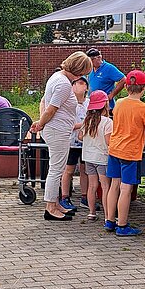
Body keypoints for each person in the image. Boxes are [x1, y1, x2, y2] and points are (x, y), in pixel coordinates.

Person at [104, 70, 145, 236]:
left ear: (126, 87)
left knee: (114, 185)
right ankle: (123, 225)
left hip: (115, 148)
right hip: (129, 152)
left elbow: (126, 122)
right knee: (126, 189)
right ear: (143, 88)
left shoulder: (118, 103)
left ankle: (110, 221)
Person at [30, 51, 94, 221]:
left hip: (58, 130)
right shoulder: (64, 84)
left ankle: (55, 203)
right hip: (58, 131)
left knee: (56, 168)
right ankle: (50, 207)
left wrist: (41, 122)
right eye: (83, 72)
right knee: (56, 169)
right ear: (78, 69)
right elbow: (52, 109)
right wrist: (41, 123)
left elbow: (45, 102)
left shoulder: (57, 76)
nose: (83, 76)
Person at [80, 90, 112, 221]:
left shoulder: (87, 120)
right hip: (102, 158)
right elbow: (109, 141)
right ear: (105, 104)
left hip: (88, 157)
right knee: (105, 186)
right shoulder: (107, 122)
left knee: (92, 186)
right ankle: (107, 216)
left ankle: (92, 213)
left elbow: (80, 136)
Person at [63, 77, 89, 213]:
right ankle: (65, 197)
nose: (78, 86)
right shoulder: (69, 104)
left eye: (82, 83)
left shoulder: (89, 104)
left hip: (85, 143)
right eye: (75, 83)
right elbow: (68, 125)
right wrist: (83, 124)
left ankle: (85, 197)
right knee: (69, 170)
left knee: (85, 170)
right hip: (71, 142)